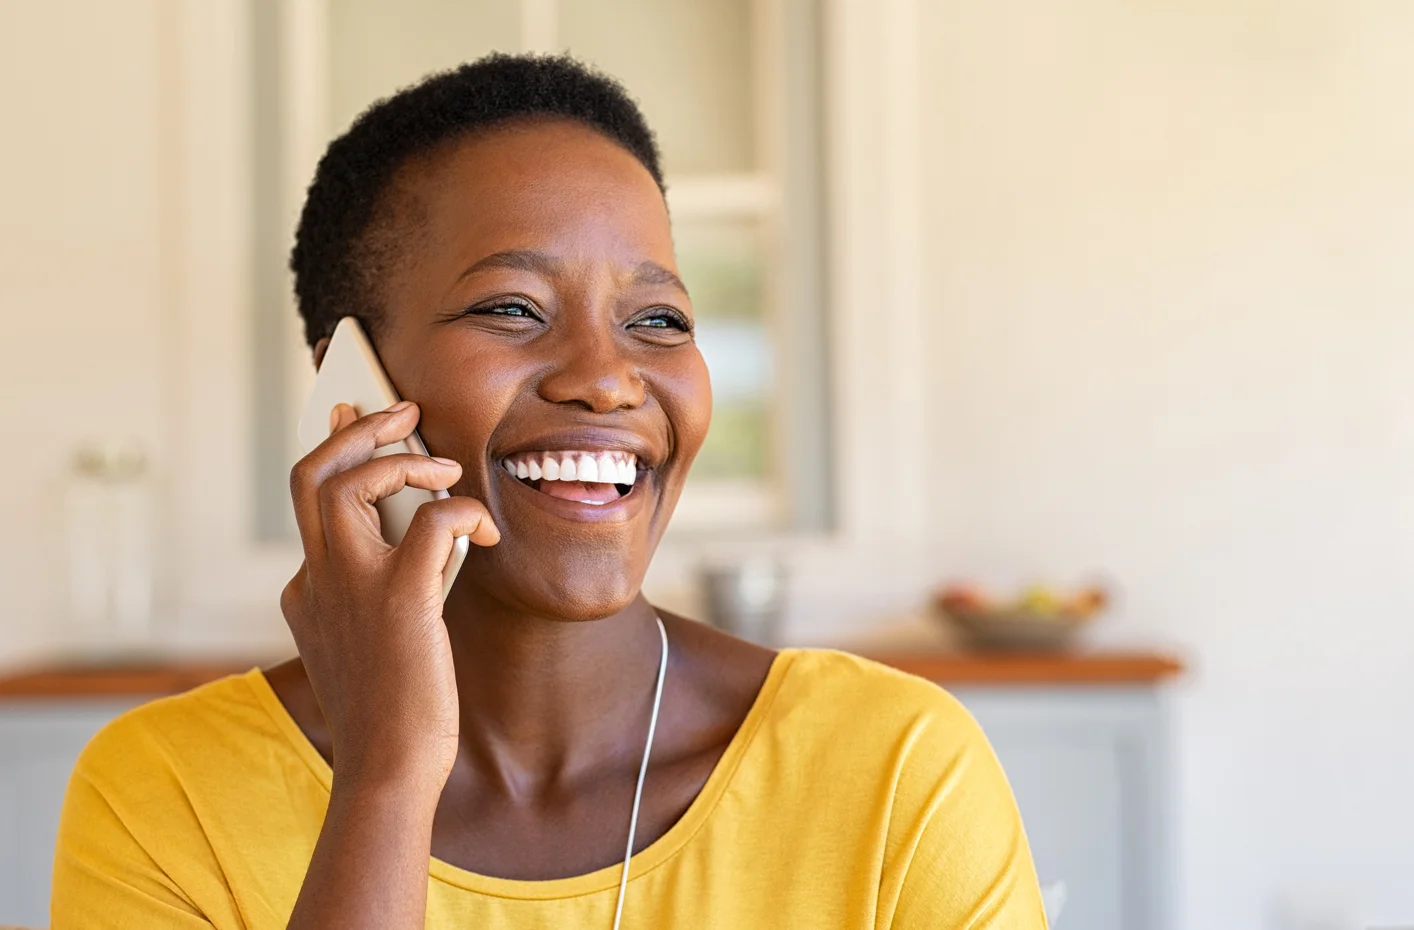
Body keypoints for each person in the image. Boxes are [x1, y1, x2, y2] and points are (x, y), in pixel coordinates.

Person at [50, 54, 1047, 929]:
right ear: (352, 389)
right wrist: (387, 775)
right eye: (512, 308)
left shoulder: (894, 767)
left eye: (657, 320)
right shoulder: (164, 794)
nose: (607, 380)